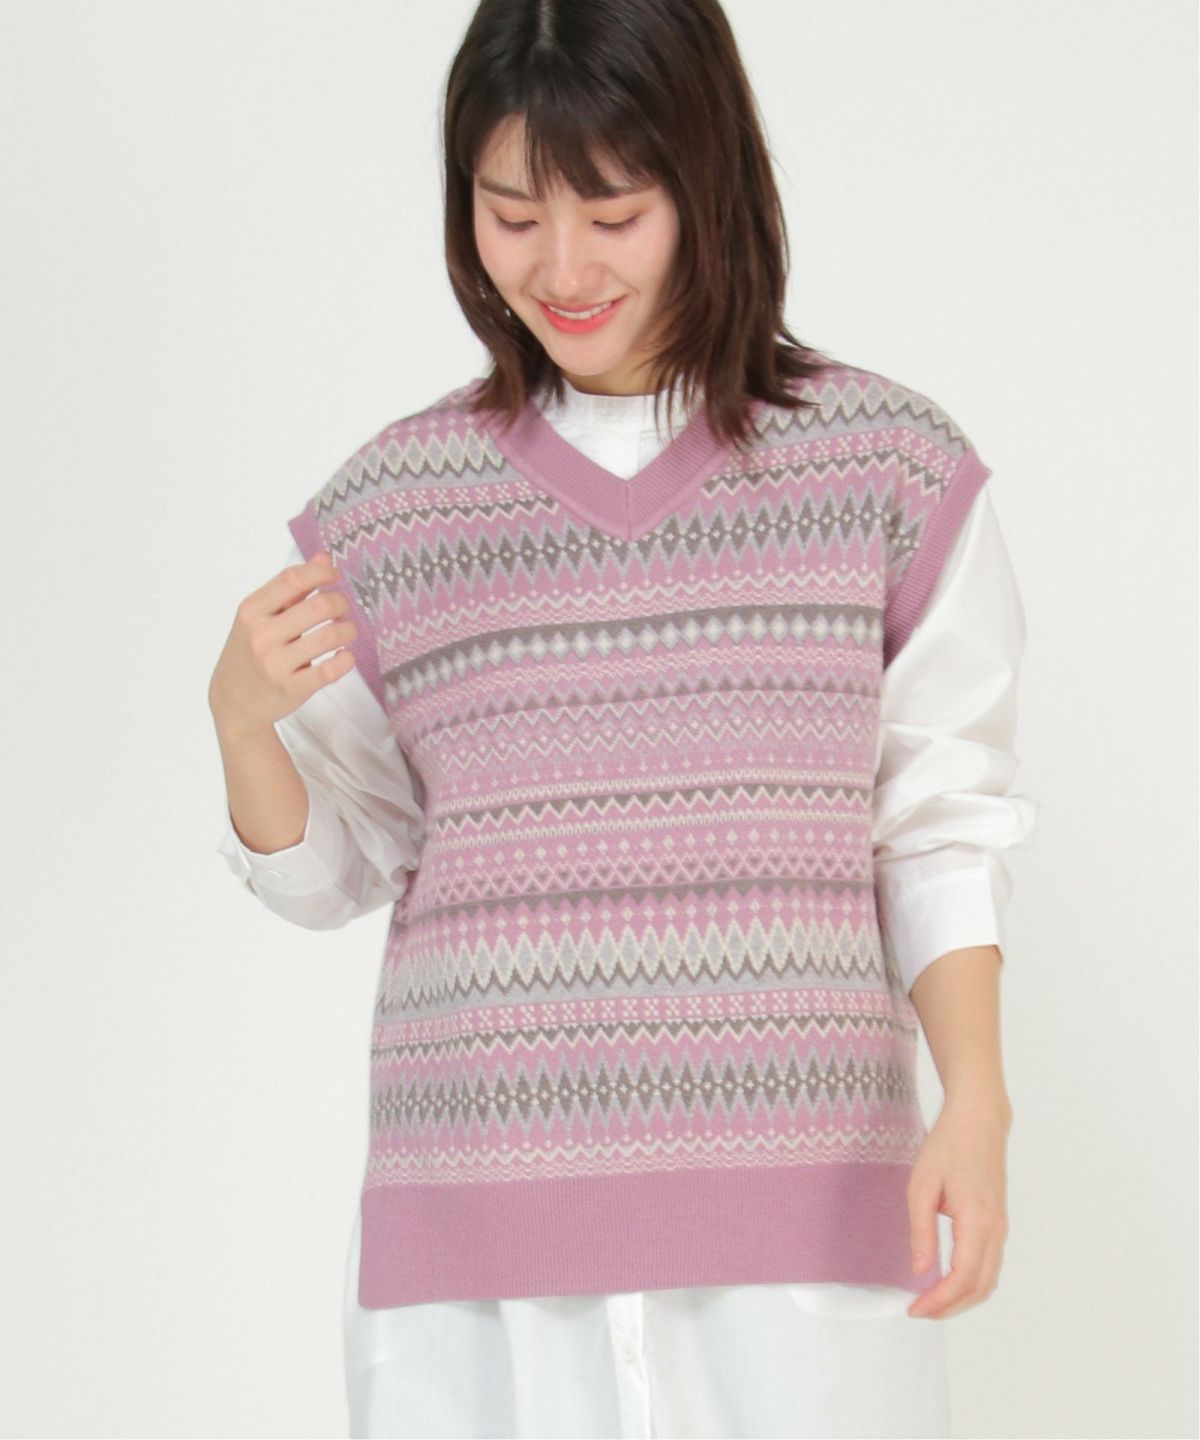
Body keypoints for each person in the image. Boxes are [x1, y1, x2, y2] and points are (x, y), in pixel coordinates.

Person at [208, 2, 1037, 1436]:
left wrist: (977, 1098)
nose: (562, 270)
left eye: (613, 213)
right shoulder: (392, 510)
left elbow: (937, 821)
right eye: (510, 215)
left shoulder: (887, 471)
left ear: (709, 183)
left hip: (800, 1220)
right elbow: (339, 871)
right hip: (481, 1252)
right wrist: (241, 723)